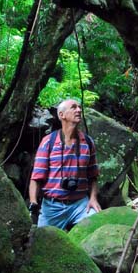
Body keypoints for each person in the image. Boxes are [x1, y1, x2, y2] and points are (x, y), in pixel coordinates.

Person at [28, 99, 101, 230]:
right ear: (62, 115)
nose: (79, 110)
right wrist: (33, 202)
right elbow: (36, 177)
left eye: (79, 107)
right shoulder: (48, 142)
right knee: (42, 244)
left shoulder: (88, 142)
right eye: (73, 107)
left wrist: (93, 199)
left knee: (97, 229)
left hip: (80, 205)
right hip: (52, 207)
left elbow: (93, 176)